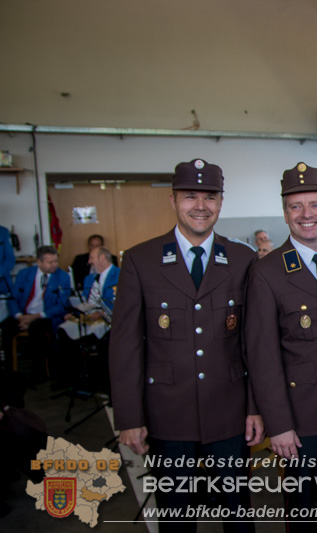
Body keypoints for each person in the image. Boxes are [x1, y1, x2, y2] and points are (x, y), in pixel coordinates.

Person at [109, 158, 262, 533]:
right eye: (190, 196)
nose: (200, 205)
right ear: (173, 200)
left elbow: (255, 343)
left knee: (238, 515)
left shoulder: (242, 259)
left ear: (221, 202)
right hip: (167, 414)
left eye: (209, 197)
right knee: (176, 516)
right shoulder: (140, 260)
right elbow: (126, 344)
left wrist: (257, 409)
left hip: (230, 413)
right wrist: (129, 417)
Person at [244, 162, 317, 531]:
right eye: (296, 206)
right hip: (300, 422)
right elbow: (262, 354)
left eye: (315, 204)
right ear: (285, 214)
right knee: (302, 512)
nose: (306, 214)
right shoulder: (267, 272)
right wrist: (278, 424)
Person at [1, 246, 71, 384]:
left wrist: (35, 317)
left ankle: (38, 373)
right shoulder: (24, 274)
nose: (54, 265)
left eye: (55, 261)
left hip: (46, 316)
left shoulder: (62, 277)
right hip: (24, 314)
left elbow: (61, 305)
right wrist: (20, 316)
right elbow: (13, 299)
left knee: (36, 328)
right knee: (5, 327)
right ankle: (8, 371)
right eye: (50, 262)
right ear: (39, 262)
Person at [56, 246, 119, 389]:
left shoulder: (120, 274)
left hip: (108, 318)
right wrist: (74, 312)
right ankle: (74, 379)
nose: (89, 262)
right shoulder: (89, 278)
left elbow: (121, 302)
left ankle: (101, 380)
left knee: (100, 338)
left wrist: (103, 313)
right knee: (63, 331)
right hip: (89, 316)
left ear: (102, 258)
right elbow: (87, 302)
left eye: (92, 258)